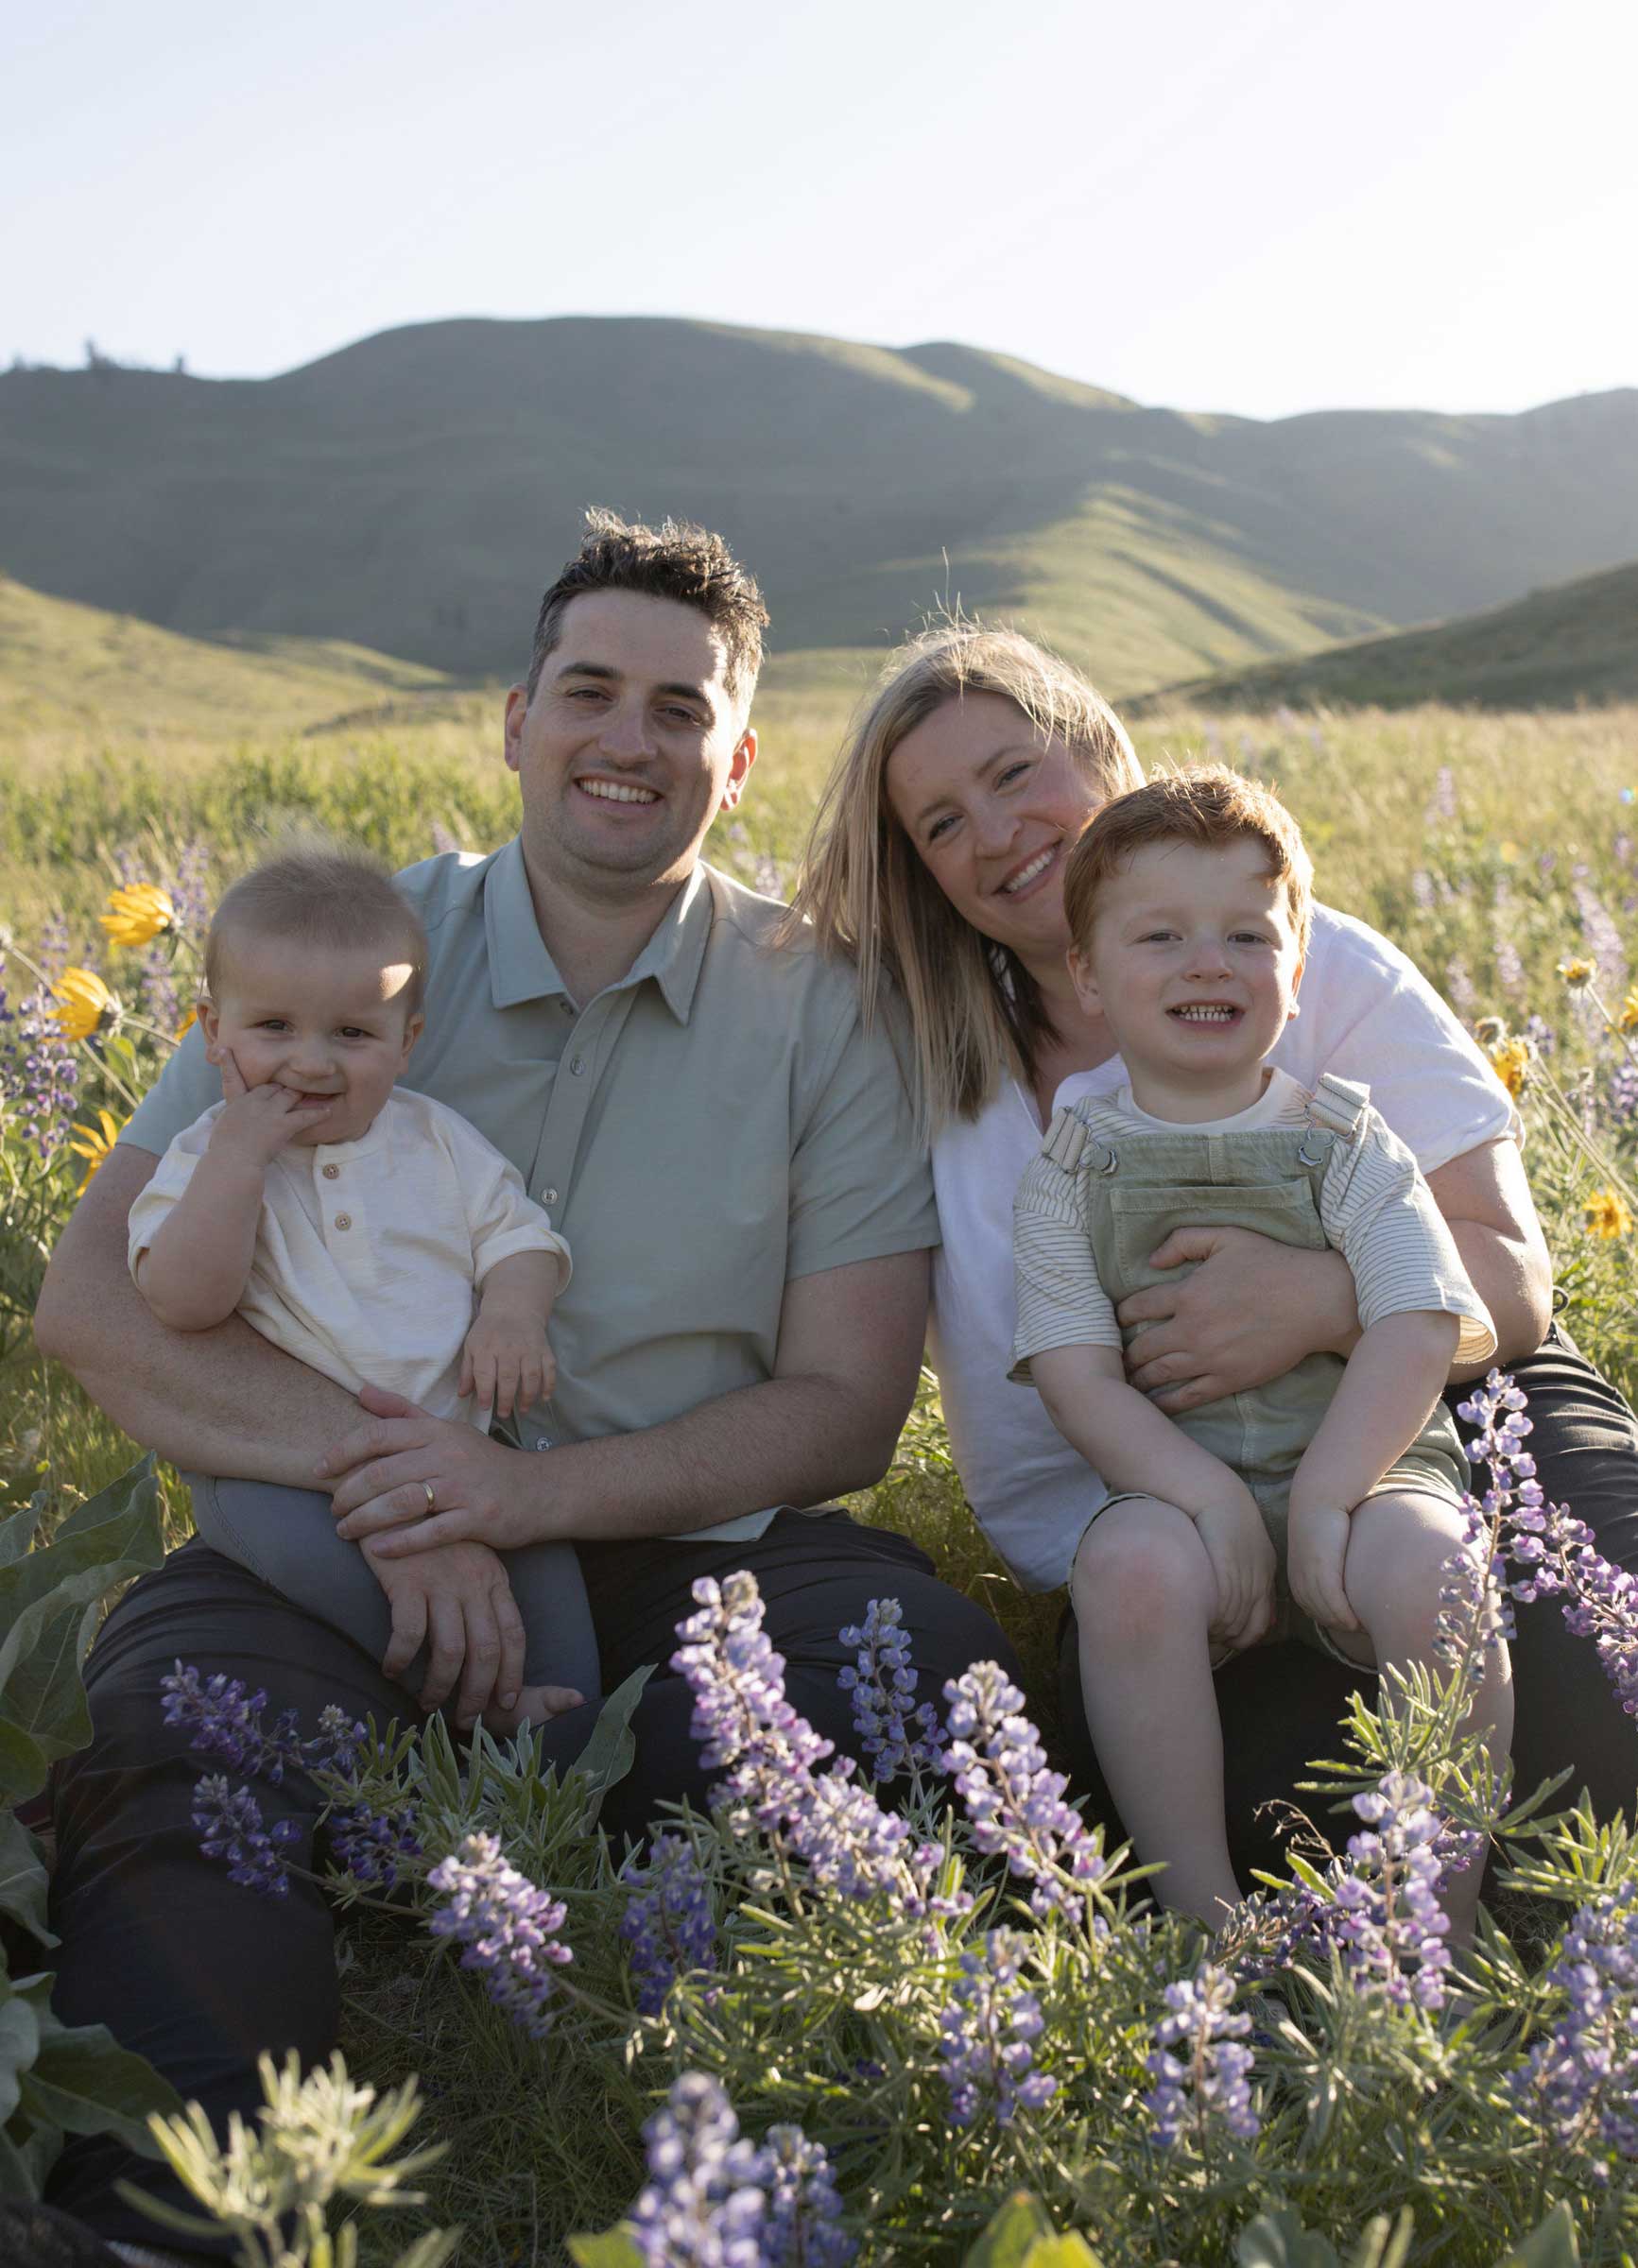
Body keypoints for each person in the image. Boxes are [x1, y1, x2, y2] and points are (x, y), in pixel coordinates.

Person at [28, 513, 1016, 2265]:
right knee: (182, 1751)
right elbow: (95, 1314)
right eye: (587, 691)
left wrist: (526, 1499)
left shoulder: (821, 1007)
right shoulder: (342, 945)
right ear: (512, 719)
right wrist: (402, 1494)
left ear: (738, 751)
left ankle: (926, 2146)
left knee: (918, 1680)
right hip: (312, 1548)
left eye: (676, 707)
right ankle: (199, 2220)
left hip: (677, 1564)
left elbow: (844, 1410)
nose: (625, 740)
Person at [791, 619, 1638, 1883]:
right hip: (1160, 1518)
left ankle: (1486, 1900)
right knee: (1293, 1832)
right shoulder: (928, 1072)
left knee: (1610, 1696)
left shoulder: (1298, 959)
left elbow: (1508, 1276)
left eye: (1016, 773)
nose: (999, 831)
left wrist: (1314, 1302)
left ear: (1096, 751)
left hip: (1443, 1411)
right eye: (943, 823)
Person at [1008, 765, 1509, 1931]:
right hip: (1174, 1487)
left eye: (1246, 934)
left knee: (1437, 1565)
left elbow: (1414, 1318)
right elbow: (1078, 1380)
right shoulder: (1070, 1166)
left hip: (1363, 1465)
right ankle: (1201, 1917)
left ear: (1296, 967)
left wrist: (1331, 1496)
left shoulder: (1344, 1136)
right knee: (1125, 1571)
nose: (1206, 963)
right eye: (1161, 935)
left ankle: (1444, 1905)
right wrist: (1207, 1501)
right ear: (1085, 972)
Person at [128, 843, 595, 1734]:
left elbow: (519, 1238)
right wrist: (238, 1159)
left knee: (547, 1591)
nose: (310, 1064)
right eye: (272, 1030)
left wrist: (511, 1314)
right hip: (284, 1465)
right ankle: (463, 1712)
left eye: (351, 1034)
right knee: (350, 1578)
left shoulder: (436, 1141)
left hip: (457, 1451)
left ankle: (573, 1752)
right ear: (210, 1031)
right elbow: (184, 1303)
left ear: (406, 1042)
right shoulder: (202, 1157)